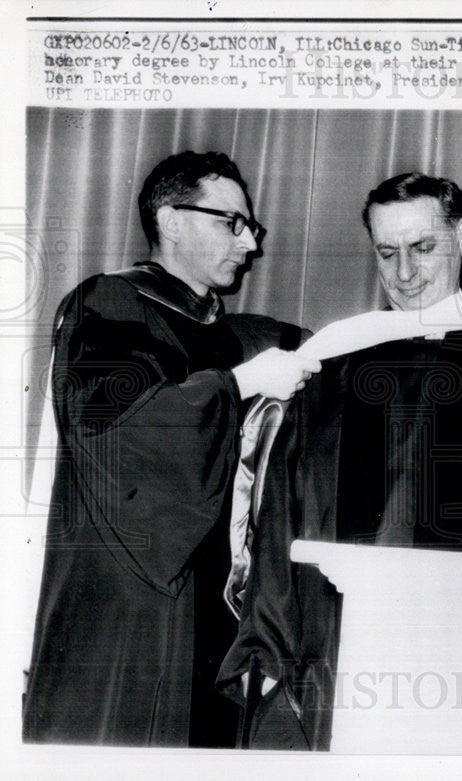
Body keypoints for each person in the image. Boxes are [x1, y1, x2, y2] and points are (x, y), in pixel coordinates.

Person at [217, 172, 462, 749]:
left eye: (423, 248)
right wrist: (266, 649)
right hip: (336, 661)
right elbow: (280, 525)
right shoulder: (334, 368)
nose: (404, 274)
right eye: (387, 252)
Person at [22, 151, 321, 747]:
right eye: (230, 222)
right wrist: (240, 384)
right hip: (134, 603)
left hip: (218, 609)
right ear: (171, 219)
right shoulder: (109, 305)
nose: (250, 243)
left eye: (251, 226)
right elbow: (121, 435)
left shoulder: (235, 334)